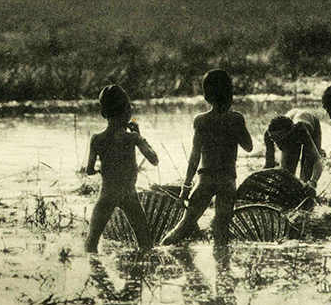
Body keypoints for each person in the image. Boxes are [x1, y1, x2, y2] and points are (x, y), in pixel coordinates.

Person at [161, 69, 253, 246]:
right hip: (227, 180)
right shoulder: (236, 119)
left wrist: (186, 186)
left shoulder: (201, 120)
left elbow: (194, 156)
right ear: (230, 95)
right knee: (221, 232)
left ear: (207, 97)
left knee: (184, 226)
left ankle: (162, 251)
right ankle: (222, 271)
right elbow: (248, 147)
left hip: (206, 179)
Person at [84, 84, 159, 253]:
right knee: (145, 243)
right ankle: (138, 275)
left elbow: (89, 170)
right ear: (126, 109)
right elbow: (154, 159)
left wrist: (98, 170)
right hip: (128, 194)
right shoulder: (131, 138)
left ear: (105, 112)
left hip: (106, 194)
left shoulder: (97, 139)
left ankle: (95, 274)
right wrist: (139, 137)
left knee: (91, 243)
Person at [263, 109, 323, 190]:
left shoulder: (302, 130)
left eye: (280, 140)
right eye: (274, 140)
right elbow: (269, 164)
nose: (278, 145)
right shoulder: (268, 134)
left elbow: (317, 160)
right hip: (291, 129)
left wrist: (313, 181)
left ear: (290, 135)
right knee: (286, 176)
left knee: (307, 173)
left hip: (311, 124)